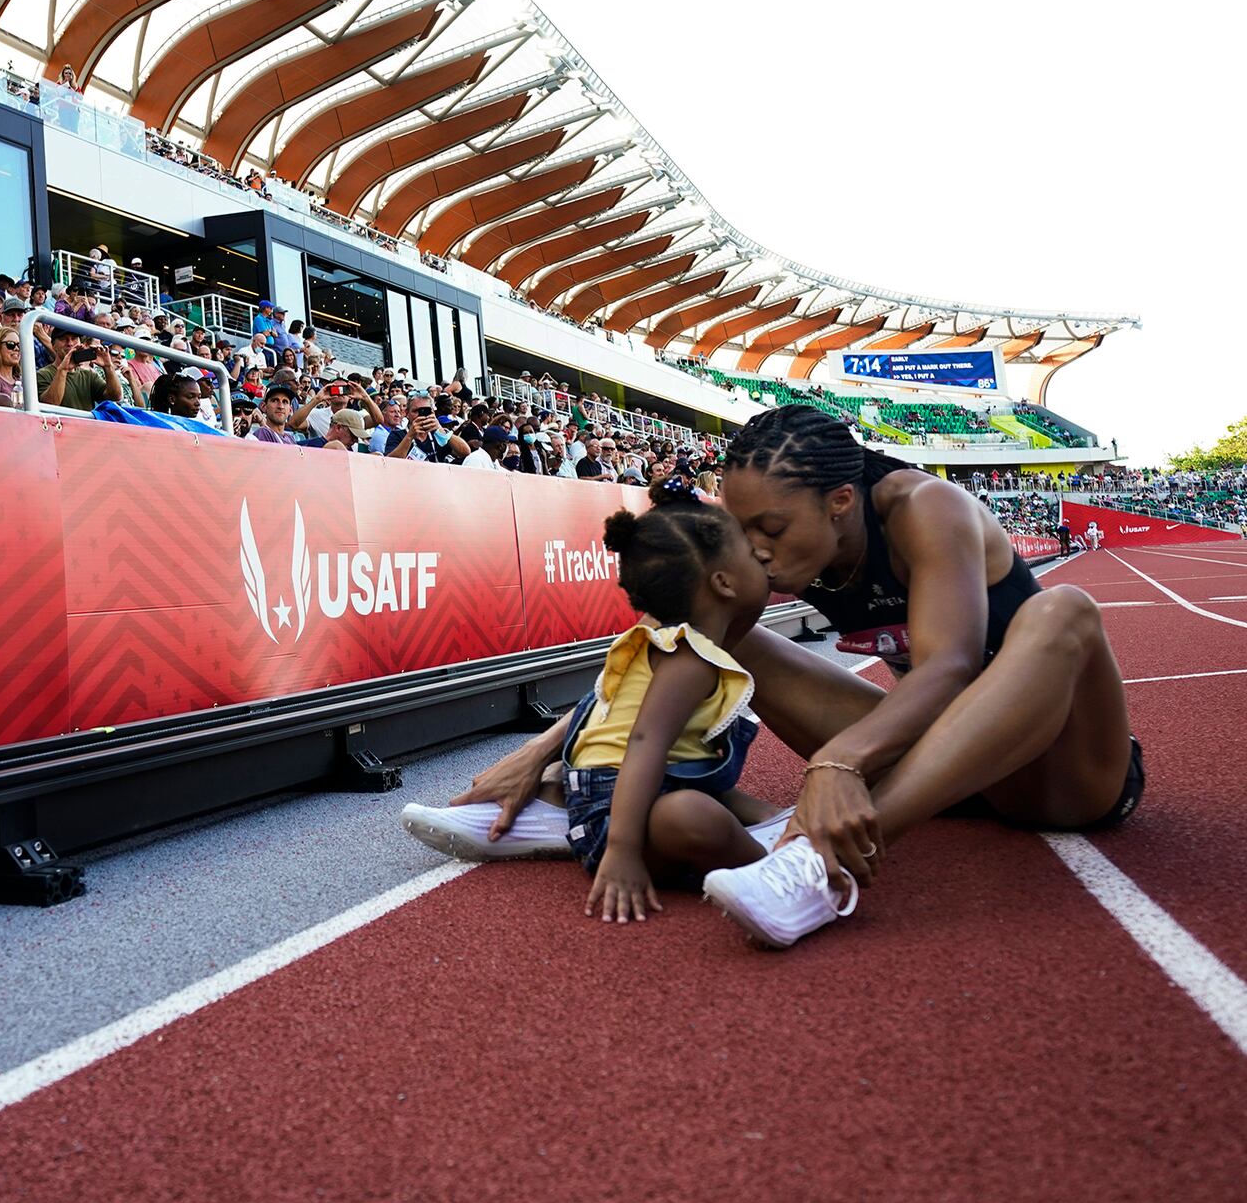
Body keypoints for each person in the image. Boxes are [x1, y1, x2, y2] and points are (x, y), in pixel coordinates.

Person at [681, 404, 1141, 948]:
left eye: (772, 529)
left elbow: (950, 664)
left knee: (1064, 608)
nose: (756, 547)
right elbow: (673, 644)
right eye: (743, 527)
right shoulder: (775, 549)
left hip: (1062, 774)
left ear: (840, 502)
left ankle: (819, 864)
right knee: (722, 628)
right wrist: (559, 749)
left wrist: (841, 760)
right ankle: (580, 787)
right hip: (944, 775)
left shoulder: (924, 507)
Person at [401, 479, 789, 923]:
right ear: (723, 583)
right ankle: (771, 867)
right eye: (753, 555)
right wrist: (622, 850)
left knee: (691, 771)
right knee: (690, 813)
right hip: (620, 819)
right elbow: (645, 744)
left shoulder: (652, 642)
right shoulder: (688, 658)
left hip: (600, 799)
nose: (765, 558)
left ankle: (769, 823)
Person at [38, 329, 125, 411]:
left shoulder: (89, 375)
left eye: (74, 338)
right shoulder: (42, 374)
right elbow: (50, 405)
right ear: (53, 346)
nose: (70, 343)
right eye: (63, 339)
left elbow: (115, 396)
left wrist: (108, 366)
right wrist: (63, 370)